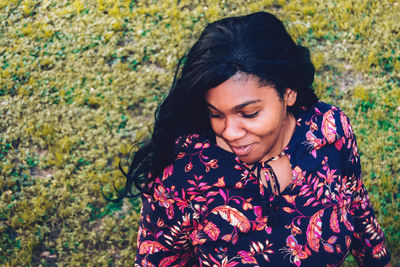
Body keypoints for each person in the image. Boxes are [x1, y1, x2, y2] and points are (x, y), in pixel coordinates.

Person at [122, 11, 392, 266]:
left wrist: (379, 260)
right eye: (215, 114)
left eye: (249, 113)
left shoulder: (329, 129)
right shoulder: (181, 177)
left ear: (288, 93)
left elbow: (355, 203)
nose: (230, 132)